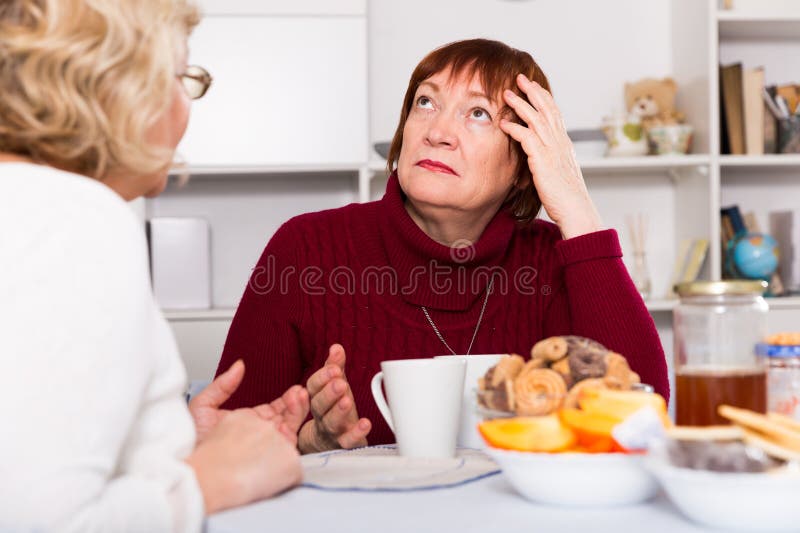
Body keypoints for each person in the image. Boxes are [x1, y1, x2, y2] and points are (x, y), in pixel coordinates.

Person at [216, 38, 670, 452]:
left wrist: (576, 206)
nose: (438, 132)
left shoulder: (552, 259)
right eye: (426, 102)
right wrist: (311, 441)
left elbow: (639, 421)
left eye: (478, 114)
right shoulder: (305, 247)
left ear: (523, 162)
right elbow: (227, 443)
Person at [0, 0, 309, 531]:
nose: (184, 108)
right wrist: (211, 477)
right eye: (180, 77)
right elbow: (36, 519)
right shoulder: (75, 217)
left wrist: (164, 440)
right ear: (123, 87)